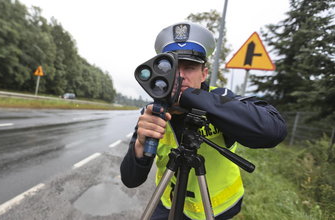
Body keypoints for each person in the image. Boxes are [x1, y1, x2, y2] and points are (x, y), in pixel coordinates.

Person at [120, 21, 287, 220]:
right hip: (168, 204)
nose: (180, 76)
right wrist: (140, 144)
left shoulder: (222, 99)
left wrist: (193, 97)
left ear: (204, 73)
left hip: (216, 210)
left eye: (189, 67)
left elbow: (273, 130)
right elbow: (130, 180)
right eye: (170, 67)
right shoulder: (154, 112)